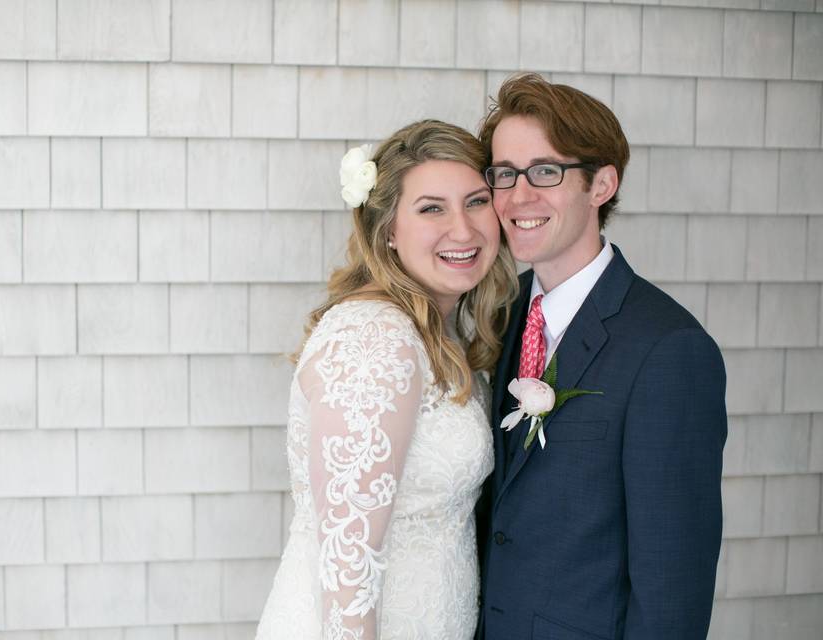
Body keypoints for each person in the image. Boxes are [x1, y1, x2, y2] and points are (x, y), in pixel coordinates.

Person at [475, 73, 727, 640]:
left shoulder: (669, 350)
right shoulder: (503, 310)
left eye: (545, 171)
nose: (518, 197)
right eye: (504, 174)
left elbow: (673, 586)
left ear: (601, 184)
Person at [256, 119, 519, 639]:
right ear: (388, 231)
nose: (463, 230)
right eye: (431, 209)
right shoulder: (374, 337)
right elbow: (346, 556)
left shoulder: (436, 333)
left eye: (476, 202)